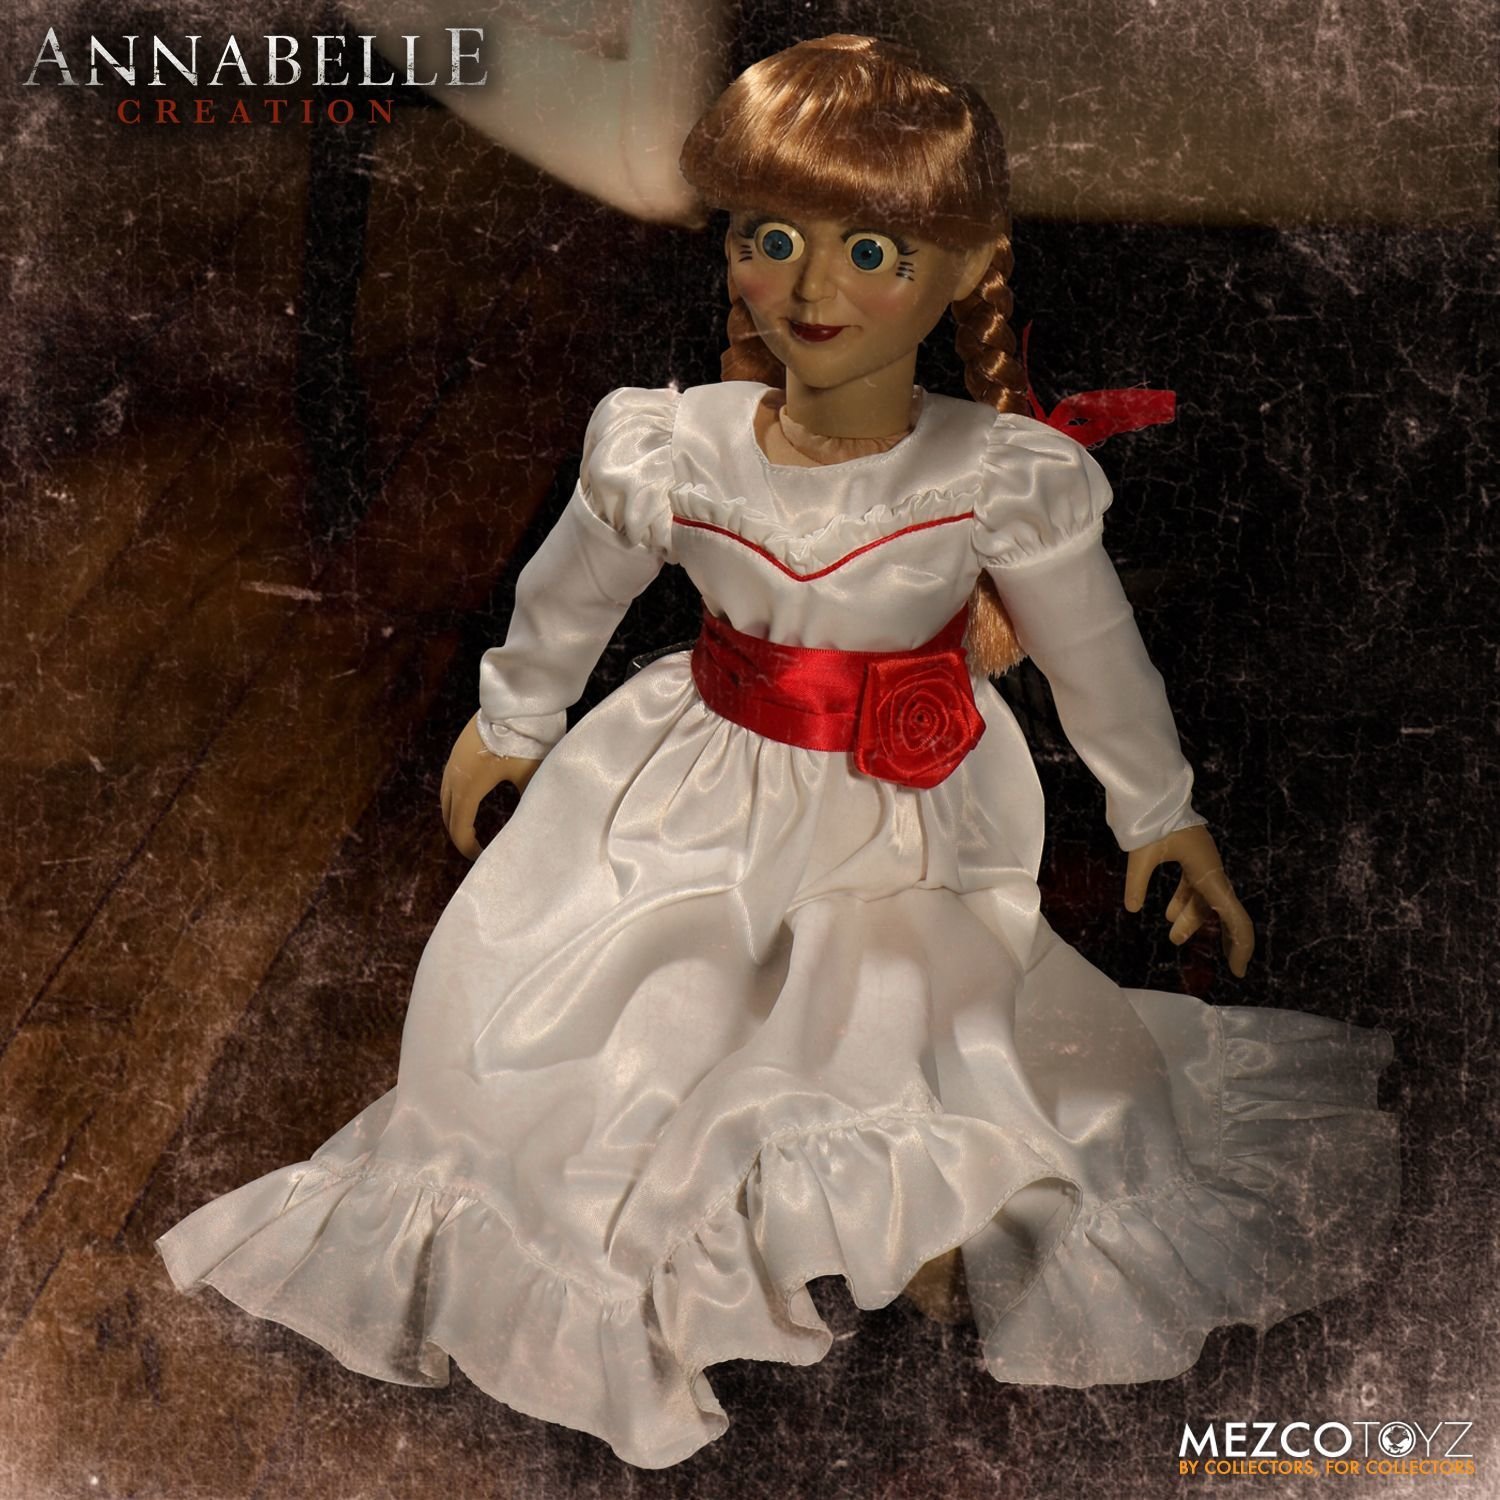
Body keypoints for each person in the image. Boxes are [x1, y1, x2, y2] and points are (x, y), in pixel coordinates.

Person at [158, 35, 1395, 1470]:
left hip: (901, 821)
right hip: (696, 789)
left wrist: (1160, 815)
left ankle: (899, 1208)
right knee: (642, 1005)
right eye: (770, 239)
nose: (813, 289)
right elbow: (571, 591)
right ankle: (715, 1215)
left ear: (962, 268)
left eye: (871, 252)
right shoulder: (674, 446)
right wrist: (515, 718)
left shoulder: (998, 476)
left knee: (894, 1001)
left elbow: (1096, 660)